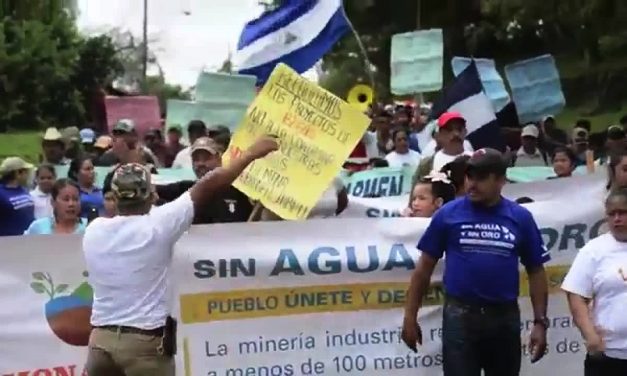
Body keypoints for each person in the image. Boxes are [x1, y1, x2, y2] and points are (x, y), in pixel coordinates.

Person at [82, 135, 278, 376]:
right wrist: (251, 154)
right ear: (150, 193)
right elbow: (210, 184)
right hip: (143, 344)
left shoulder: (94, 230)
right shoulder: (159, 224)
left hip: (100, 342)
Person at [402, 148, 550, 376]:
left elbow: (536, 270)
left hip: (504, 318)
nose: (472, 183)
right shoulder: (448, 214)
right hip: (460, 316)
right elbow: (423, 270)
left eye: (481, 177)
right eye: (469, 176)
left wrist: (540, 322)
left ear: (500, 180)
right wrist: (410, 317)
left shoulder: (520, 217)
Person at [562, 188, 627, 375]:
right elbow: (575, 293)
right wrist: (590, 334)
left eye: (622, 213)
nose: (616, 219)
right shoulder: (594, 250)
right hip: (608, 356)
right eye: (611, 214)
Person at [157, 137, 253, 223]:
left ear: (219, 159)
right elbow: (152, 191)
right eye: (196, 159)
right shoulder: (184, 190)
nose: (200, 164)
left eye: (206, 158)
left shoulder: (241, 192)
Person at [414, 112, 473, 183]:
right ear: (439, 135)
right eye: (449, 130)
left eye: (459, 129)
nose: (456, 134)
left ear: (465, 132)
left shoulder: (475, 160)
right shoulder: (427, 165)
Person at [0, 157, 35, 236]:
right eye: (25, 171)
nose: (27, 174)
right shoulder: (1, 193)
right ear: (18, 173)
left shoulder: (23, 189)